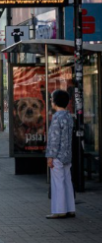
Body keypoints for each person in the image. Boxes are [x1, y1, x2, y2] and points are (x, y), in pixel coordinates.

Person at [46, 90, 75, 219]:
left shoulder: (57, 117)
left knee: (58, 182)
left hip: (57, 155)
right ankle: (70, 208)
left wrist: (50, 156)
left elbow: (54, 139)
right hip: (67, 154)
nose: (51, 101)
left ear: (56, 101)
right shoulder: (69, 116)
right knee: (68, 182)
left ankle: (59, 210)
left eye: (52, 99)